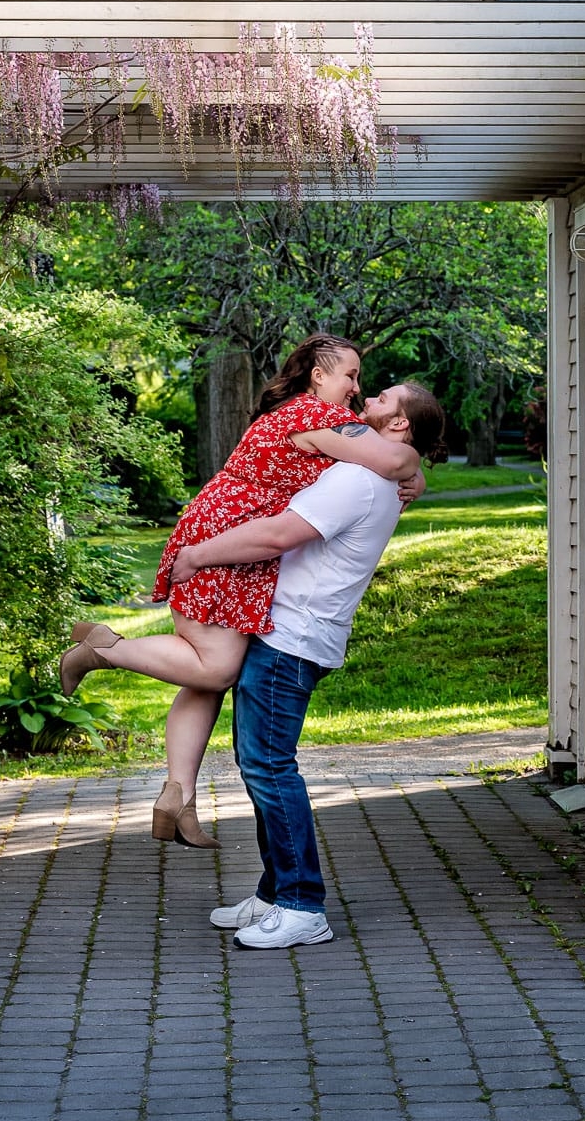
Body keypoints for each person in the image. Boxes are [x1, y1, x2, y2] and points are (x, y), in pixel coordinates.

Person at [58, 334, 423, 848]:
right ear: (319, 375)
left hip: (237, 541)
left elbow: (390, 458)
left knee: (207, 679)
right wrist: (415, 470)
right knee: (217, 666)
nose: (356, 387)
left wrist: (414, 470)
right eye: (351, 375)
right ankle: (104, 649)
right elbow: (392, 462)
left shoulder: (320, 419)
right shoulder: (314, 416)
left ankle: (177, 796)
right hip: (226, 540)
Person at [169, 380, 447, 949]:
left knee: (270, 768)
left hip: (291, 638)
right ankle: (275, 893)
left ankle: (301, 904)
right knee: (260, 766)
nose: (364, 400)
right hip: (289, 633)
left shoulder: (356, 479)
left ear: (398, 426)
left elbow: (277, 535)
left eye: (381, 402)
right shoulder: (372, 471)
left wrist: (196, 554)